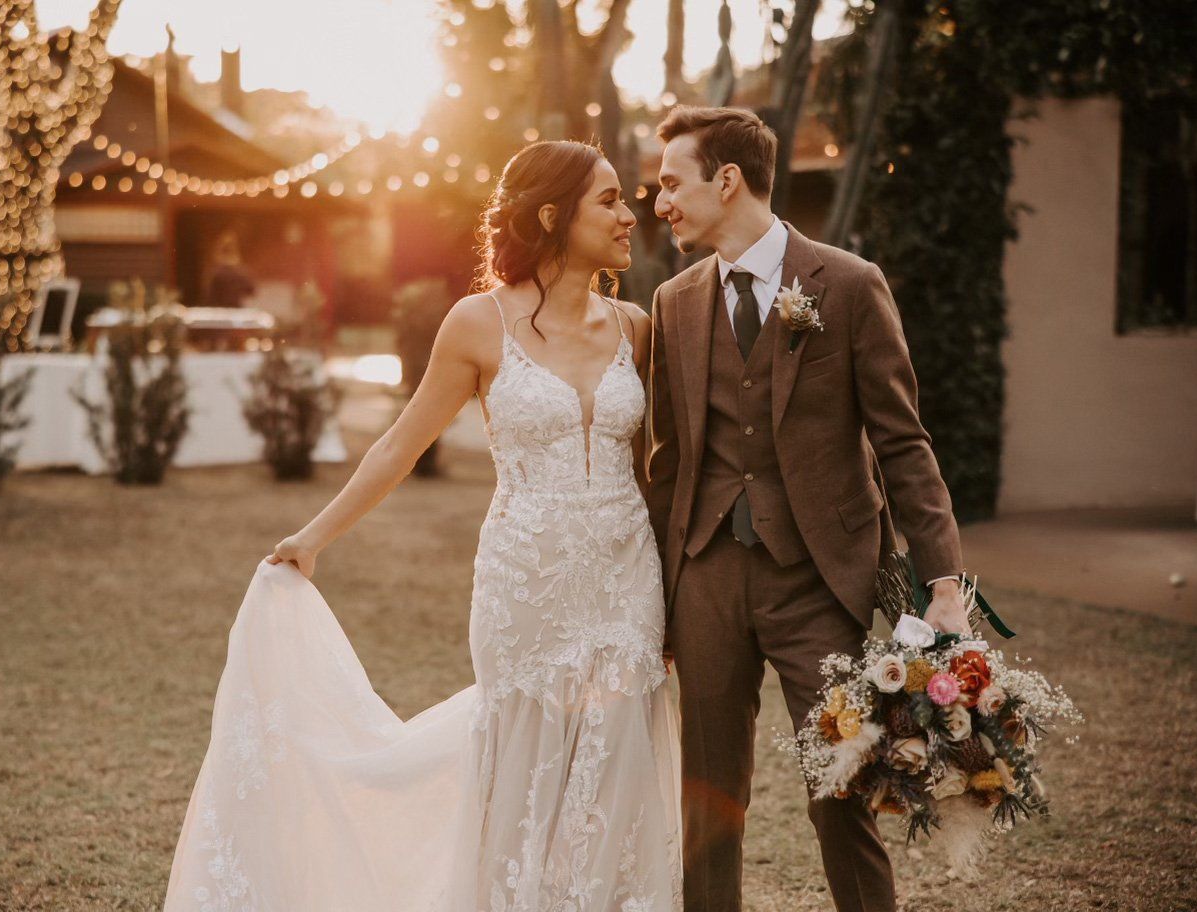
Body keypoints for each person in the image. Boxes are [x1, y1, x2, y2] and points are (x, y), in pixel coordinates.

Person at [163, 141, 683, 911]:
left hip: (624, 578)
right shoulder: (477, 324)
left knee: (615, 762)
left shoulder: (638, 327)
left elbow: (668, 467)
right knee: (521, 764)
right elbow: (399, 445)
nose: (627, 213)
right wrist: (313, 536)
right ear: (551, 216)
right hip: (524, 581)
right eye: (607, 199)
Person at [645, 105, 971, 912]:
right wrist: (653, 599)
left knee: (842, 785)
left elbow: (901, 444)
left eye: (669, 183)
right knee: (707, 799)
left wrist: (942, 580)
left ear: (726, 180)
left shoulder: (850, 285)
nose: (660, 203)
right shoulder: (673, 302)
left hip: (817, 583)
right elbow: (667, 463)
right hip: (706, 579)